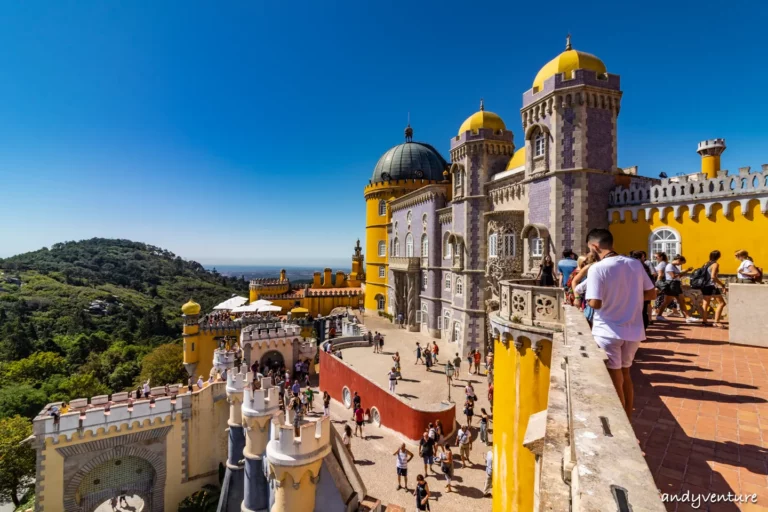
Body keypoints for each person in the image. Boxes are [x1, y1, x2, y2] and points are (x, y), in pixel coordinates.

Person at [585, 228, 656, 419]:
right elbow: (651, 294)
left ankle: (619, 422)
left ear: (594, 246)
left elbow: (595, 303)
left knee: (613, 379)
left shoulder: (597, 268)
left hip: (608, 331)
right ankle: (628, 418)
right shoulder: (634, 264)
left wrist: (585, 297)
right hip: (633, 331)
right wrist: (629, 297)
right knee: (626, 375)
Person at [654, 255, 701, 324]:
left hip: (675, 284)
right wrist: (682, 272)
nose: (680, 264)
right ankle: (687, 317)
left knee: (669, 301)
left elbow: (678, 276)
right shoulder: (670, 266)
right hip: (672, 284)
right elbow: (673, 276)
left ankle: (659, 316)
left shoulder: (674, 267)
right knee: (679, 301)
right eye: (681, 263)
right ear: (678, 260)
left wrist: (686, 271)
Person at [699, 250, 727, 328]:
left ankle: (704, 321)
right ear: (719, 256)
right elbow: (713, 276)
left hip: (704, 286)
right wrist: (722, 284)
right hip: (711, 285)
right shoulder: (715, 264)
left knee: (705, 303)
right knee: (722, 303)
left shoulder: (705, 264)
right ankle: (716, 321)